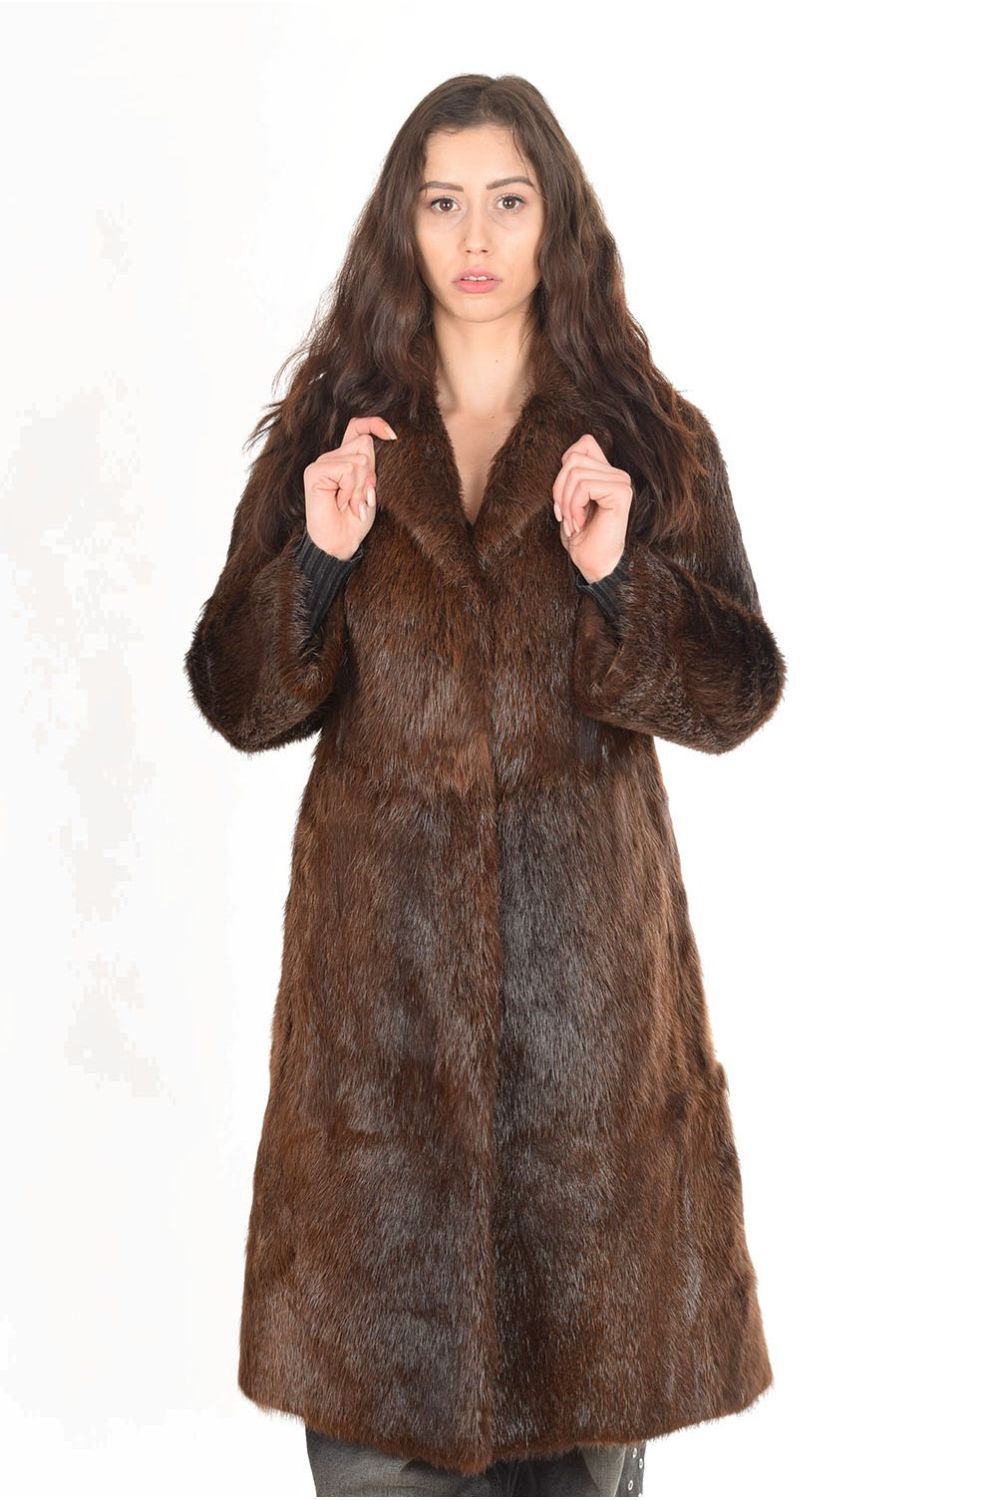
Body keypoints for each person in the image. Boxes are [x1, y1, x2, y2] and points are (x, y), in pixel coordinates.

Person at [184, 74, 786, 1499]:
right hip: (375, 1072)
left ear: (554, 221)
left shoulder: (643, 438)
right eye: (442, 201)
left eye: (507, 201)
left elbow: (737, 691)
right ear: (401, 225)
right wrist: (320, 560)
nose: (474, 236)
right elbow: (238, 697)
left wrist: (617, 577)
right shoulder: (333, 438)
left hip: (589, 1084)